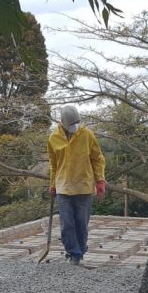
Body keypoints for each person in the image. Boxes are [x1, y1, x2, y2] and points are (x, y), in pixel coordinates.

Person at [47, 105, 106, 266]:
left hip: (83, 186)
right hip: (63, 187)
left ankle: (80, 251)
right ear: (64, 123)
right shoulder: (53, 138)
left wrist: (100, 180)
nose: (75, 125)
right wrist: (53, 184)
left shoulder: (86, 135)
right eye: (72, 123)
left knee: (81, 222)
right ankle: (73, 253)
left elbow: (97, 158)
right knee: (67, 223)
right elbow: (53, 164)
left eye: (77, 122)